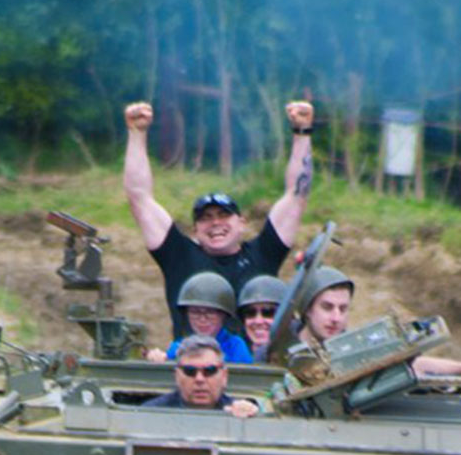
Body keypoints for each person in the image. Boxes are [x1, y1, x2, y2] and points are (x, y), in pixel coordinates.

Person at [123, 99, 316, 337]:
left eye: (224, 215)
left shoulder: (263, 254)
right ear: (195, 230)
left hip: (255, 370)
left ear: (242, 223)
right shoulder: (179, 256)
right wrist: (136, 132)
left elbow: (297, 196)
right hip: (195, 369)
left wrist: (302, 132)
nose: (215, 223)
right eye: (206, 218)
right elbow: (139, 199)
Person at [290, 266, 461, 386]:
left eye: (343, 309)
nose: (336, 318)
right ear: (308, 309)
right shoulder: (280, 347)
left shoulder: (348, 348)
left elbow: (409, 364)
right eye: (327, 307)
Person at [143, 335, 260, 417]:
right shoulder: (151, 413)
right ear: (177, 376)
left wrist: (249, 417)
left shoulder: (237, 412)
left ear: (224, 376)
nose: (199, 379)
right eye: (190, 371)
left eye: (210, 371)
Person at [150, 272, 253, 364]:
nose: (202, 319)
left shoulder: (235, 346)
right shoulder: (178, 347)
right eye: (195, 312)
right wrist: (158, 360)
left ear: (223, 315)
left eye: (210, 312)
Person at [235, 274, 286, 362]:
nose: (258, 321)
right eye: (250, 312)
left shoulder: (298, 358)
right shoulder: (235, 356)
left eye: (268, 312)